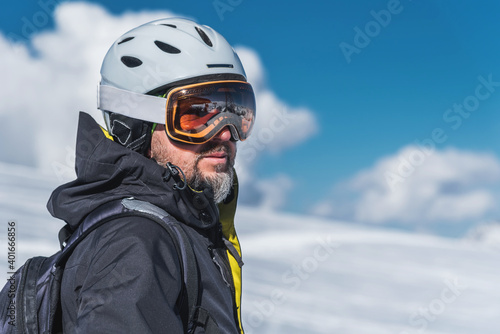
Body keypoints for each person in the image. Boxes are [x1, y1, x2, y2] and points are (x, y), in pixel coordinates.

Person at [46, 17, 255, 333]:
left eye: (236, 111)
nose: (226, 134)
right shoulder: (136, 241)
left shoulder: (182, 229)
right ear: (134, 126)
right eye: (197, 114)